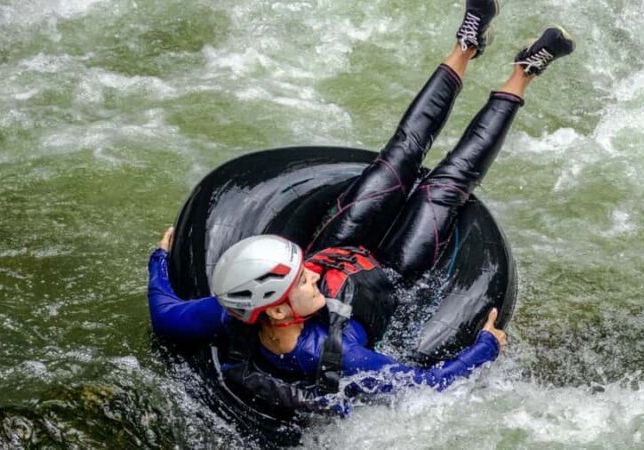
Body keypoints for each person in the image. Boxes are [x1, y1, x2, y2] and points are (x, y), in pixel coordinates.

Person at [148, 0, 575, 415]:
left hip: (340, 240)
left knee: (401, 154)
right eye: (300, 280)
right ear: (277, 311)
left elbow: (166, 313)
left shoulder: (230, 312)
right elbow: (424, 387)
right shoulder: (339, 355)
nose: (309, 274)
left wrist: (161, 257)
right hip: (391, 270)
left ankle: (467, 43)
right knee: (451, 181)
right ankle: (526, 71)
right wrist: (486, 347)